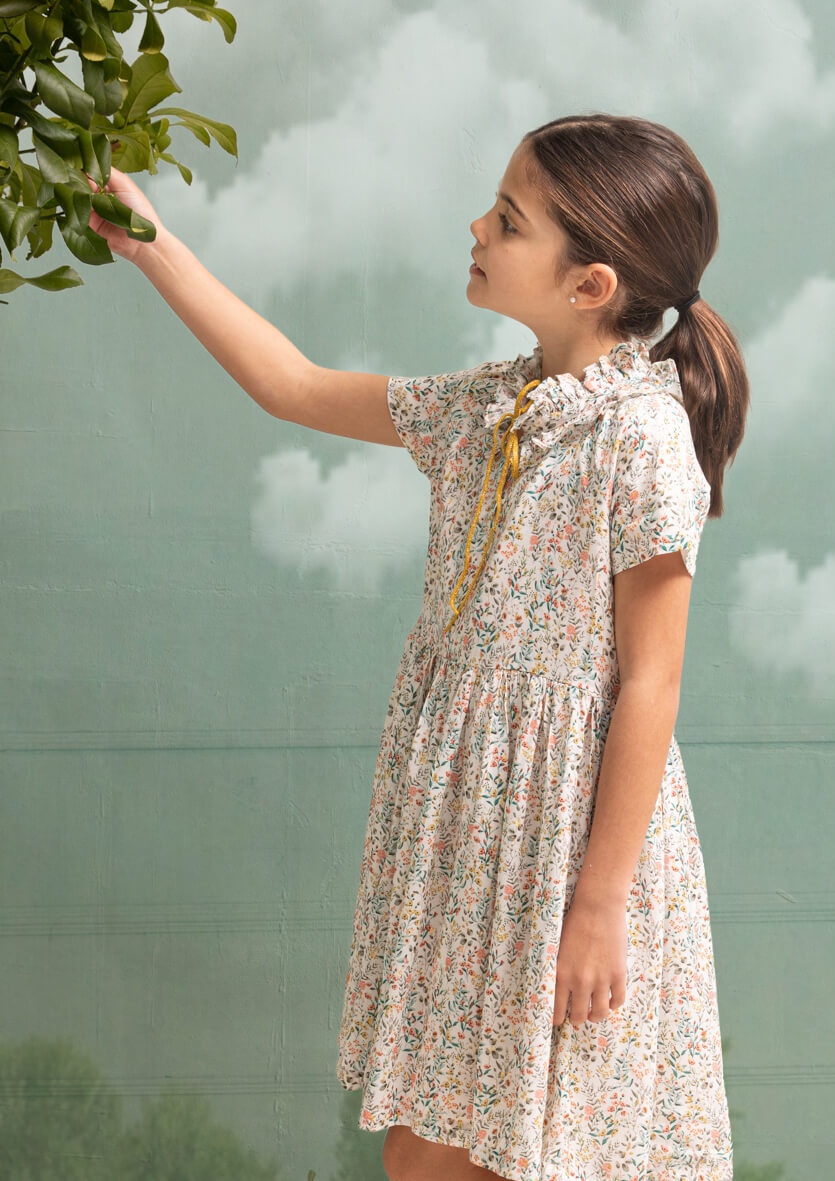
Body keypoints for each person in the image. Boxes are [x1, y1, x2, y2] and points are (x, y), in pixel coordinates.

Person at [85, 111, 749, 1181]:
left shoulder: (640, 436)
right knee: (428, 1150)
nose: (478, 226)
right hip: (470, 839)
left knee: (549, 1145)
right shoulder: (489, 406)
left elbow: (652, 683)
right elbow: (294, 384)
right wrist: (149, 242)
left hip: (569, 850)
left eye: (509, 220)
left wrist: (596, 906)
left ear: (589, 284)